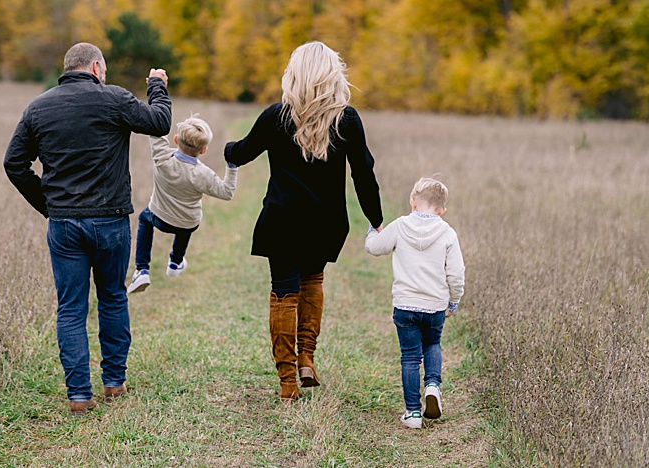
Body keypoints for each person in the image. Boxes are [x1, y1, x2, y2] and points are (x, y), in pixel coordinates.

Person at [4, 42, 171, 415]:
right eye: (105, 70)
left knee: (71, 309)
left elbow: (14, 164)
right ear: (96, 67)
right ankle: (113, 382)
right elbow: (160, 122)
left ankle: (79, 394)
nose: (106, 76)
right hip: (111, 222)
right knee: (112, 297)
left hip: (64, 225)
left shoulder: (38, 107)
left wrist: (48, 205)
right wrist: (157, 85)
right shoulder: (114, 99)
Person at [223, 41, 382, 402]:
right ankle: (307, 359)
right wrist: (376, 219)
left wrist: (226, 150)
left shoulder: (275, 117)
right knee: (312, 281)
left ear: (293, 75)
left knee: (283, 293)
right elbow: (364, 172)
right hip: (325, 224)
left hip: (282, 222)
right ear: (333, 76)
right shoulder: (347, 119)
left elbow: (243, 151)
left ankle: (286, 382)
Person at [365, 177, 465, 429]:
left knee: (410, 357)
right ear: (442, 210)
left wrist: (372, 229)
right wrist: (453, 302)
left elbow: (375, 248)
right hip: (434, 306)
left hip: (406, 305)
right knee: (432, 343)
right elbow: (456, 274)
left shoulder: (400, 226)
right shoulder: (448, 233)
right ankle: (432, 386)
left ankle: (412, 413)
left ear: (413, 202)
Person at [127, 115, 237, 294]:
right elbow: (227, 192)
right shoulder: (203, 174)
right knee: (186, 224)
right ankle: (176, 261)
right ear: (203, 150)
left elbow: (156, 131)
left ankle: (141, 269)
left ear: (176, 139)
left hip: (159, 217)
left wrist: (157, 102)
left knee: (144, 219)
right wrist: (232, 166)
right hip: (188, 223)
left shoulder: (162, 158)